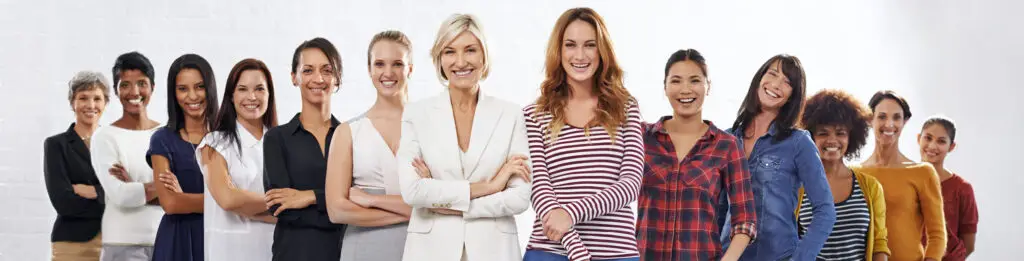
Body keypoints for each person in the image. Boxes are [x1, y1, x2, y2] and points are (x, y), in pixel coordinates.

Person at [395, 13, 531, 261]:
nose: (460, 61)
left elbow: (520, 197)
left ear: (484, 56)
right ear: (439, 58)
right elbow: (413, 191)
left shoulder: (510, 114)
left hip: (494, 250)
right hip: (430, 250)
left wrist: (448, 204)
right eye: (449, 51)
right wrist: (490, 186)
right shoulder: (417, 114)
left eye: (470, 50)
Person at [522, 7, 642, 261]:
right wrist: (576, 248)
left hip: (616, 253)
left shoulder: (626, 107)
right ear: (559, 50)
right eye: (570, 45)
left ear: (602, 51)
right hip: (551, 251)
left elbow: (631, 183)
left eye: (590, 45)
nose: (580, 55)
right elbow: (540, 188)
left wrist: (571, 214)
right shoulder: (534, 114)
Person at [636, 49, 757, 261]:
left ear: (707, 86)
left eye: (694, 80)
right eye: (676, 81)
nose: (685, 89)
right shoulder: (641, 137)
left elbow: (745, 220)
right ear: (665, 87)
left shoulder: (727, 146)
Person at [720, 54, 835, 261]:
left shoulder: (799, 143)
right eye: (772, 74)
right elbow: (718, 209)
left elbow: (825, 210)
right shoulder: (727, 139)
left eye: (787, 82)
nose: (775, 84)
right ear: (759, 78)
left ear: (792, 95)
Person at [325, 30, 415, 261]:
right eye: (379, 64)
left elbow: (442, 202)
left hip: (420, 247)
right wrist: (414, 211)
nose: (388, 72)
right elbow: (336, 210)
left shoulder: (429, 128)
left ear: (410, 69)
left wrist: (370, 200)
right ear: (369, 70)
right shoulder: (348, 132)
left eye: (397, 64)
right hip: (364, 249)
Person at [263, 37, 346, 261]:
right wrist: (340, 208)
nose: (318, 79)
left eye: (327, 70)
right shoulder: (276, 138)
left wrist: (309, 197)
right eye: (308, 70)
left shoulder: (351, 136)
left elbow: (359, 198)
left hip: (344, 252)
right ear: (294, 77)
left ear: (336, 78)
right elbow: (281, 207)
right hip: (294, 253)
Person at [198, 58, 279, 260]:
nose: (251, 97)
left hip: (275, 251)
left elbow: (299, 213)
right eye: (242, 89)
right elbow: (227, 198)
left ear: (269, 95)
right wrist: (284, 203)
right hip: (230, 252)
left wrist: (248, 209)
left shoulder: (281, 142)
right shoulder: (214, 143)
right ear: (231, 97)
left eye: (260, 89)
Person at [797, 89, 890, 261]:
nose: (832, 140)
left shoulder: (870, 187)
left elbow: (879, 244)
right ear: (810, 138)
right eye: (823, 133)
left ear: (851, 137)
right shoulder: (797, 187)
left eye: (840, 133)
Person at [853, 90, 946, 261]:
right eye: (882, 117)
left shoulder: (922, 172)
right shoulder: (856, 173)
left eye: (896, 118)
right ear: (869, 120)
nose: (889, 124)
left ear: (905, 121)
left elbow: (937, 234)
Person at [91, 51, 164, 261]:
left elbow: (185, 190)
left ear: (152, 87)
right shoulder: (105, 137)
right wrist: (163, 187)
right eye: (125, 84)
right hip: (122, 243)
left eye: (142, 83)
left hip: (166, 238)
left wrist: (137, 186)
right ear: (116, 90)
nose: (134, 91)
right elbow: (121, 195)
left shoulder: (166, 134)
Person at [147, 53, 217, 261]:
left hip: (218, 237)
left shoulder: (227, 138)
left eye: (199, 86)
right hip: (177, 242)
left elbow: (242, 194)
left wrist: (185, 198)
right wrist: (226, 202)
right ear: (173, 94)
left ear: (210, 88)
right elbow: (170, 204)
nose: (192, 96)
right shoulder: (162, 139)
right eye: (183, 89)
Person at [43, 71, 111, 260]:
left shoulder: (114, 142)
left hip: (114, 241)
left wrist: (94, 192)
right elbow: (64, 203)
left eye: (97, 98)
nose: (90, 105)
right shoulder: (56, 145)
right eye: (83, 98)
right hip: (72, 244)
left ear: (105, 103)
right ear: (73, 103)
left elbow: (129, 194)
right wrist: (110, 198)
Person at [917, 115, 975, 261]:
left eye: (941, 141)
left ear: (951, 146)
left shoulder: (962, 189)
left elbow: (969, 244)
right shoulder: (902, 179)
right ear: (919, 139)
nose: (932, 146)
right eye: (928, 138)